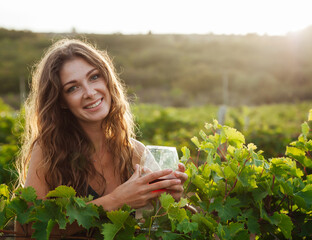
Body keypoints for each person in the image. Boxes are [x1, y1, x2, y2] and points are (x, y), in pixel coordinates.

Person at [16, 38, 188, 237]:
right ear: (61, 101)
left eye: (94, 77)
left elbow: (157, 224)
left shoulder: (135, 153)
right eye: (73, 88)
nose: (90, 92)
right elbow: (26, 229)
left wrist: (171, 200)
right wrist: (115, 201)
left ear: (107, 80)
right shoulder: (49, 150)